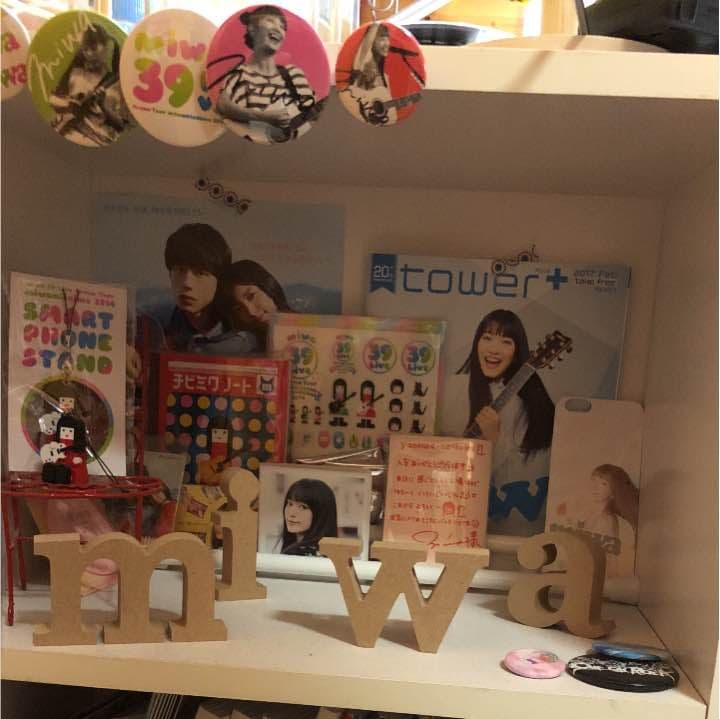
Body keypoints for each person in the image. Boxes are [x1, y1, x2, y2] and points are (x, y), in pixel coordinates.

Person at [457, 309, 555, 535]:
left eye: (506, 342)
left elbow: (520, 476)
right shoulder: (457, 389)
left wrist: (494, 440)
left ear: (518, 350)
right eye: (487, 338)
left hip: (506, 524)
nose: (494, 349)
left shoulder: (530, 403)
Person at [215, 6, 319, 144]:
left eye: (282, 27)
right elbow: (222, 105)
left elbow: (311, 116)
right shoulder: (238, 74)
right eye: (271, 21)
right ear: (252, 28)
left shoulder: (294, 74)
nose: (278, 29)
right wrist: (263, 117)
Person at [163, 224, 257, 355]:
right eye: (180, 270)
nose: (186, 283)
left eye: (200, 273)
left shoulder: (243, 337)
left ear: (220, 280)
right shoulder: (156, 323)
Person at [49, 24, 132, 147]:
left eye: (93, 48)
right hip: (64, 134)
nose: (88, 53)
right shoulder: (75, 72)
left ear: (106, 47)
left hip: (98, 141)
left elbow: (121, 127)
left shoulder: (118, 82)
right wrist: (70, 105)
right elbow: (52, 99)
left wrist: (103, 107)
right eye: (85, 49)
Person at [219, 259, 292, 351]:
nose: (251, 312)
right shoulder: (244, 346)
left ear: (267, 287)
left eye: (251, 296)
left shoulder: (307, 328)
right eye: (238, 308)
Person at [580, 463, 639, 577]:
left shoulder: (608, 520)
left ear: (614, 490)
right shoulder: (592, 515)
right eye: (594, 480)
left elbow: (609, 559)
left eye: (603, 483)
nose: (595, 487)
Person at [342, 23, 397, 126]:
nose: (387, 43)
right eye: (382, 39)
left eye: (388, 39)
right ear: (371, 41)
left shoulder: (384, 76)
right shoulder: (363, 71)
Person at [280, 479, 338, 556]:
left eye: (303, 507)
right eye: (290, 504)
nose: (291, 513)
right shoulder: (327, 552)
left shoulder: (302, 553)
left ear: (320, 514)